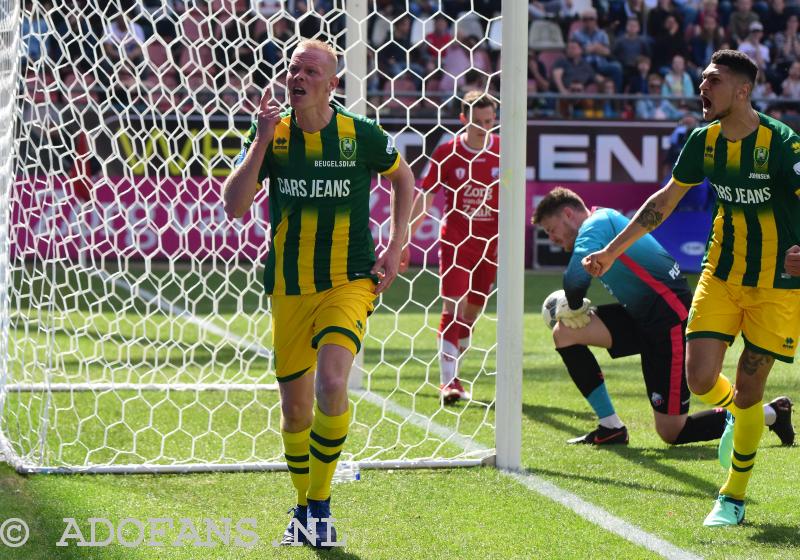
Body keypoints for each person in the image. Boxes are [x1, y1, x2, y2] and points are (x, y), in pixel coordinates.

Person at [582, 50, 800, 527]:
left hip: (777, 287)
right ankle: (743, 417)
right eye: (701, 79)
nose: (702, 87)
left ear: (743, 91)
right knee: (700, 379)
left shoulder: (782, 144)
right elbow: (664, 201)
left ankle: (733, 497)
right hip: (720, 275)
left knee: (748, 388)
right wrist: (614, 250)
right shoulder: (703, 142)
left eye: (713, 81)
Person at [223, 39, 414, 547]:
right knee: (295, 413)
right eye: (292, 69)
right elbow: (234, 207)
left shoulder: (361, 134)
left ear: (332, 85)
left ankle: (322, 509)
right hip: (288, 286)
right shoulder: (274, 132)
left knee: (333, 382)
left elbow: (403, 177)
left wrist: (397, 244)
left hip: (349, 280)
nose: (297, 77)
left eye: (309, 70)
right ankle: (304, 508)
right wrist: (260, 140)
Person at [532, 187, 792, 448]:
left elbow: (575, 277)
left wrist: (574, 305)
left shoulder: (595, 224)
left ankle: (771, 413)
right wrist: (574, 310)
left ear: (568, 213)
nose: (551, 238)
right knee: (564, 332)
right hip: (641, 317)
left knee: (672, 432)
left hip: (670, 322)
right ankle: (610, 427)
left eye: (550, 229)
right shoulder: (604, 222)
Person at [400, 91, 499, 405]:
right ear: (463, 120)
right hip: (457, 241)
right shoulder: (447, 153)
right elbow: (425, 198)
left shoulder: (503, 152)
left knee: (471, 312)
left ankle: (457, 348)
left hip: (491, 244)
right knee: (452, 308)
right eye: (478, 122)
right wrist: (403, 242)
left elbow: (513, 197)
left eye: (489, 121)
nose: (485, 128)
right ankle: (449, 383)